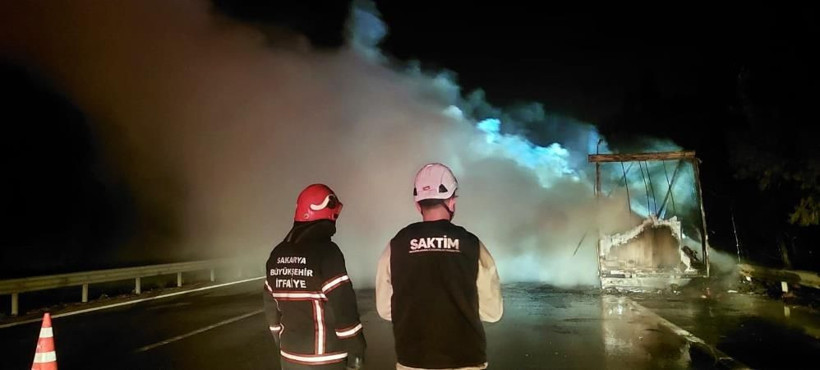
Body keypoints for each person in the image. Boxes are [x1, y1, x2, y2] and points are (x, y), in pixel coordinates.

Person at [376, 163, 503, 370]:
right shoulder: (471, 244)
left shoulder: (396, 245)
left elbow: (384, 309)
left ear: (418, 205)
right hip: (466, 361)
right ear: (452, 201)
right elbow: (492, 312)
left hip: (413, 361)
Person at [264, 184, 366, 370]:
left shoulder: (276, 254)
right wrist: (356, 348)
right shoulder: (327, 253)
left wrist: (281, 341)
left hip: (289, 357)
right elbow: (343, 305)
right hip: (325, 359)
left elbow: (271, 308)